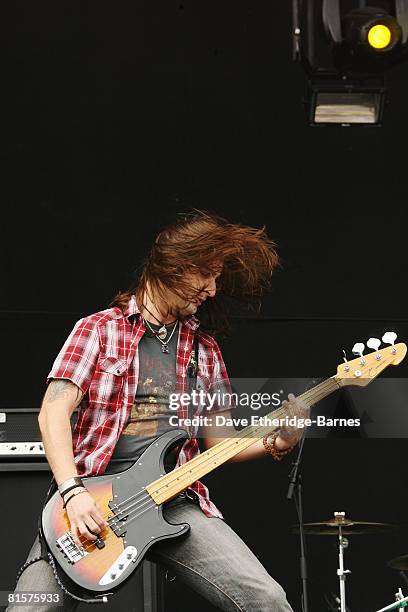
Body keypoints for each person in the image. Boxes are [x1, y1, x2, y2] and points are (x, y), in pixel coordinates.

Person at [8, 211, 309, 612]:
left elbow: (220, 444)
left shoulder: (205, 351)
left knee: (267, 599)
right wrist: (72, 492)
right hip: (89, 501)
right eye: (207, 275)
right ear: (177, 264)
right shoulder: (98, 330)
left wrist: (278, 441)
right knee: (30, 608)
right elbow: (52, 414)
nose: (213, 290)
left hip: (174, 499)